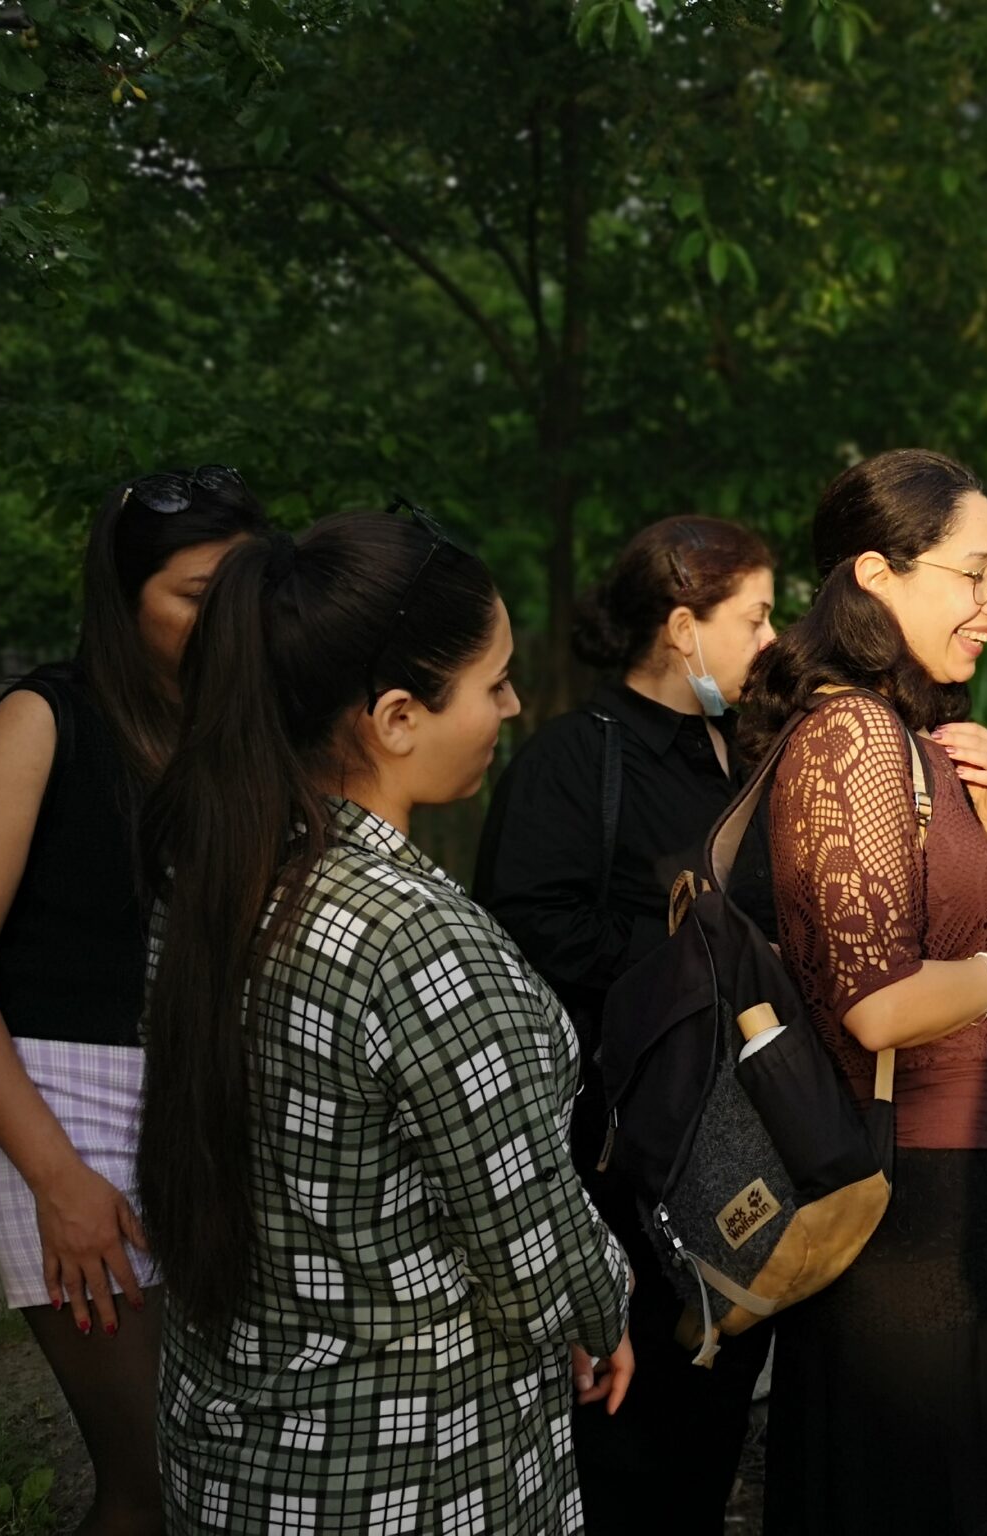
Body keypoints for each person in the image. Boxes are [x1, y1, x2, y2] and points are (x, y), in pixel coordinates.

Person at [138, 508, 633, 1534]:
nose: (511, 706)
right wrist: (603, 1306)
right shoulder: (413, 939)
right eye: (493, 682)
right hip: (410, 1471)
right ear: (397, 716)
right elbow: (525, 1244)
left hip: (234, 1457)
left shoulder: (216, 876)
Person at [740, 448, 987, 1536]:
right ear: (875, 574)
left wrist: (976, 832)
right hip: (898, 1212)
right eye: (974, 574)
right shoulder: (849, 733)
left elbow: (907, 940)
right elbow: (875, 1007)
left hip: (943, 1199)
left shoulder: (898, 733)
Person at [0, 466, 269, 1536]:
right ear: (123, 594)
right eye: (194, 595)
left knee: (236, 1485)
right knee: (154, 1492)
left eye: (244, 589)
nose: (226, 618)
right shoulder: (44, 719)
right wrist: (57, 1179)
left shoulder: (251, 737)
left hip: (214, 1122)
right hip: (64, 1114)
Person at [475, 514, 779, 1532]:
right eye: (755, 617)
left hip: (738, 1152)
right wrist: (691, 979)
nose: (772, 640)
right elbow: (528, 934)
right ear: (683, 628)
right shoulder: (571, 762)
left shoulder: (747, 759)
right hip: (617, 1165)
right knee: (622, 1442)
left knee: (711, 1415)